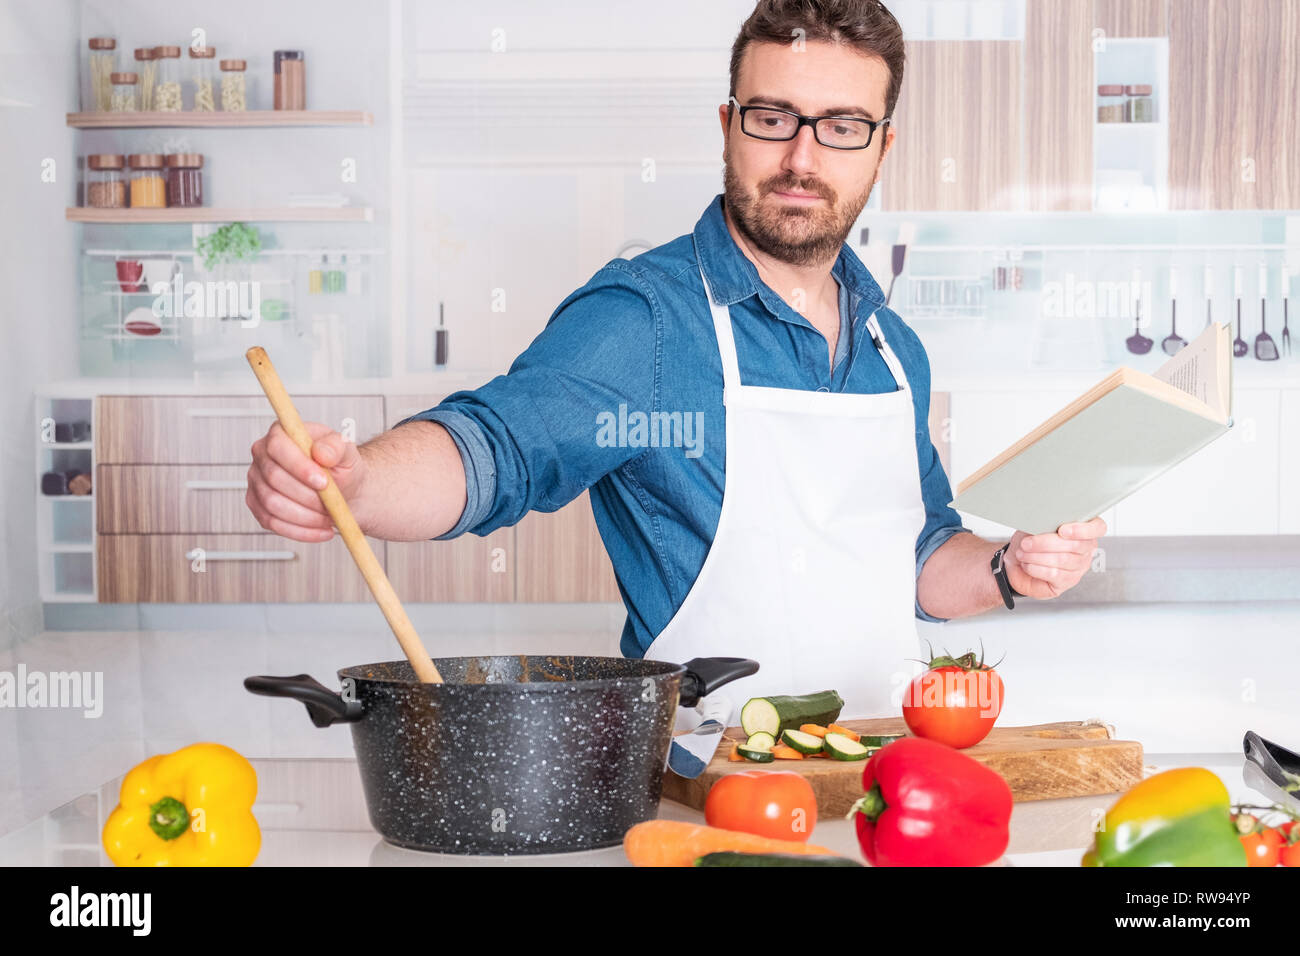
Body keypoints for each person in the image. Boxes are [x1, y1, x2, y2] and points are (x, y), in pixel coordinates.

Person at [246, 0, 1105, 716]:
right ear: (729, 127)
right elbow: (498, 447)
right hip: (706, 783)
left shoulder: (893, 347)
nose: (802, 159)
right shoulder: (647, 318)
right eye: (773, 119)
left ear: (882, 146)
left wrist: (1010, 568)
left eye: (841, 126)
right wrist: (357, 479)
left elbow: (918, 563)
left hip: (879, 779)